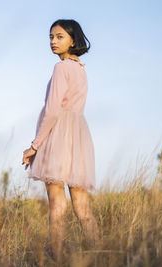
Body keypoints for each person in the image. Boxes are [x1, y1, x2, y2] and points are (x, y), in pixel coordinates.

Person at [22, 19, 99, 262]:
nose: (53, 42)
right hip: (78, 135)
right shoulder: (81, 69)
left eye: (59, 37)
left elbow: (53, 111)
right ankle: (100, 256)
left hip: (58, 136)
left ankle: (55, 259)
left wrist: (34, 146)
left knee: (57, 205)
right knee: (82, 208)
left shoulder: (61, 68)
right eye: (51, 37)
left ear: (73, 40)